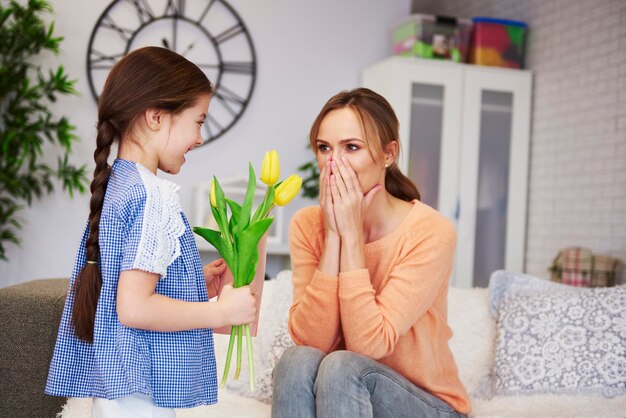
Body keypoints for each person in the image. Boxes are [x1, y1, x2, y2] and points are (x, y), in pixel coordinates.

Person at [45, 46, 257, 417]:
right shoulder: (152, 195)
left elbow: (122, 283)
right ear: (157, 117)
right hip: (139, 390)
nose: (201, 137)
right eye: (198, 121)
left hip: (117, 386)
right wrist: (220, 311)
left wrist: (189, 283)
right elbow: (135, 307)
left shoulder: (119, 184)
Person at [272, 88, 471, 417]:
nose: (333, 163)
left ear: (389, 154)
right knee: (296, 360)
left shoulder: (431, 231)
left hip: (429, 405)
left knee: (342, 367)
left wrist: (350, 235)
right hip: (346, 393)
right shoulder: (307, 225)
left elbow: (368, 347)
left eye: (351, 147)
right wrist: (333, 234)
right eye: (324, 148)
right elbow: (312, 342)